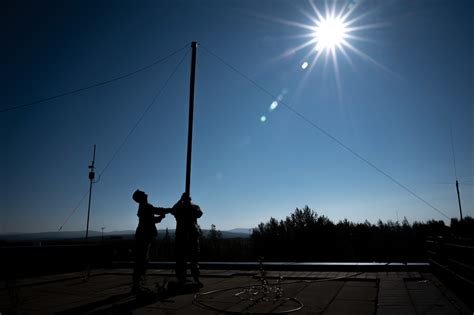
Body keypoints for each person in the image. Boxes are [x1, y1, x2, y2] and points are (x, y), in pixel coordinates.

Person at [131, 189, 171, 293]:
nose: (145, 193)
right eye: (143, 193)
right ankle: (137, 285)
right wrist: (171, 210)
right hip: (144, 236)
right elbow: (158, 210)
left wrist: (161, 217)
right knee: (141, 260)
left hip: (143, 236)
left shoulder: (144, 207)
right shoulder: (146, 206)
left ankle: (138, 284)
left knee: (142, 260)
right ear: (141, 198)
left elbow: (152, 220)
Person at [170, 192, 203, 285]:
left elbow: (199, 214)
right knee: (181, 257)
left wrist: (189, 205)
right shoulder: (179, 208)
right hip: (181, 234)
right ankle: (181, 277)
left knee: (194, 257)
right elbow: (172, 210)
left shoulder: (194, 207)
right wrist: (181, 201)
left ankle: (196, 277)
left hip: (192, 234)